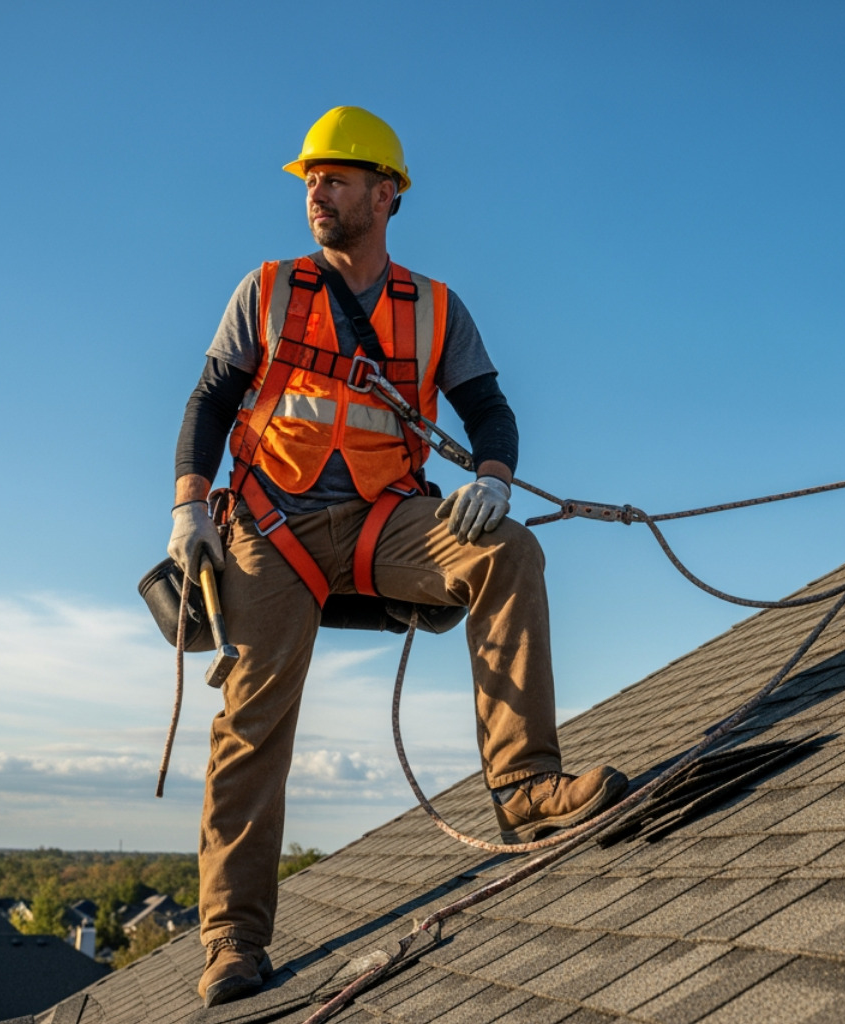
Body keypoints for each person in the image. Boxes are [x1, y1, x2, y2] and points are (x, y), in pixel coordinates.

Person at [166, 107, 629, 1008]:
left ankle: (527, 788)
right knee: (252, 721)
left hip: (386, 521)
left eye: (335, 179)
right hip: (272, 528)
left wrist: (492, 477)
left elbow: (489, 410)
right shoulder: (264, 289)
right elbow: (210, 400)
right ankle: (230, 938)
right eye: (310, 179)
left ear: (387, 196)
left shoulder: (435, 309)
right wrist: (190, 508)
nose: (316, 192)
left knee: (511, 552)